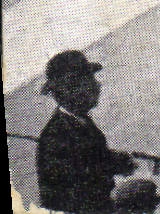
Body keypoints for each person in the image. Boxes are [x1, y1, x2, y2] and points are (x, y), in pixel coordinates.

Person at [37, 50, 137, 214]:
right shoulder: (54, 138)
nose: (97, 85)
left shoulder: (79, 121)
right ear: (72, 90)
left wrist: (120, 160)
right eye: (90, 80)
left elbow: (92, 157)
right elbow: (68, 199)